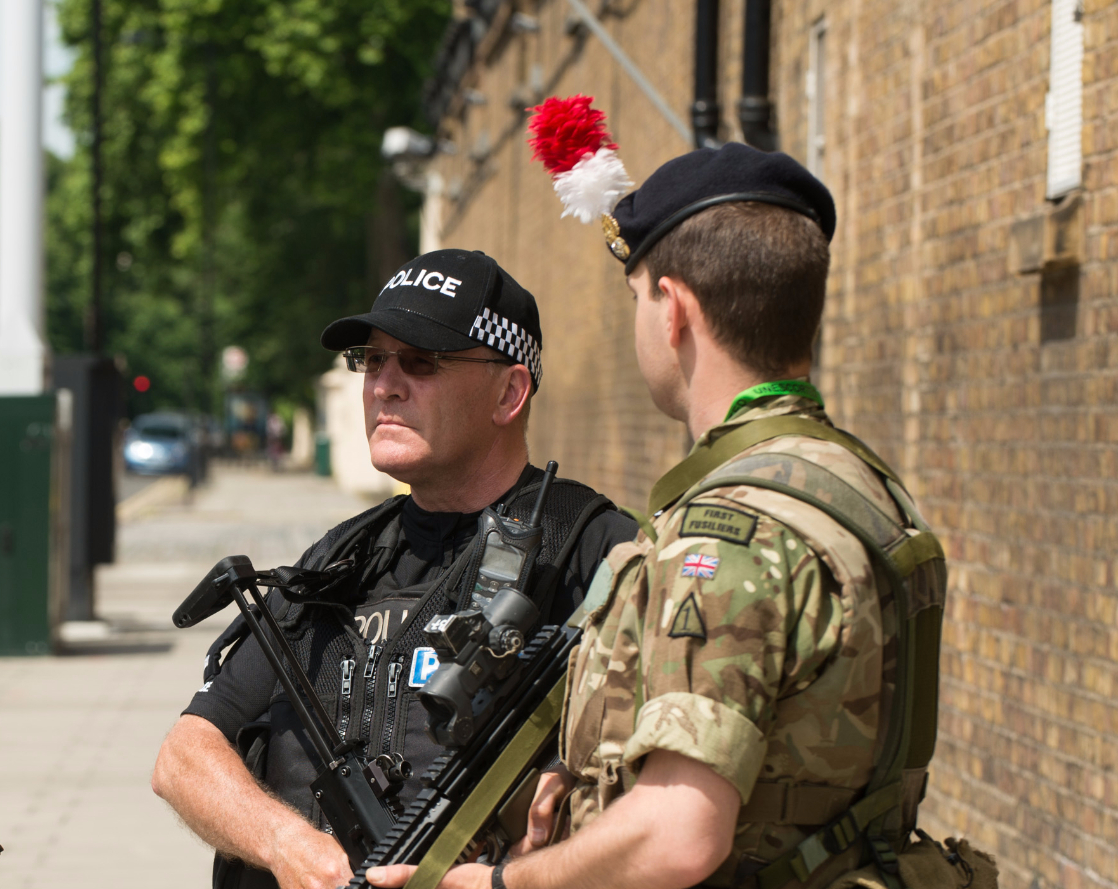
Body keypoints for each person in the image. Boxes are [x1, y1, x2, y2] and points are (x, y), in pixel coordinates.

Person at [368, 145, 963, 889]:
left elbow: (678, 833)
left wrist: (502, 884)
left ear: (673, 310)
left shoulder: (728, 532)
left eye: (637, 300)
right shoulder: (860, 489)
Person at [152, 249, 637, 889]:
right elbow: (184, 756)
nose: (385, 384)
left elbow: (664, 798)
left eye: (421, 361)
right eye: (373, 360)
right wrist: (286, 845)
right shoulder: (340, 557)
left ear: (510, 392)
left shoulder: (595, 554)